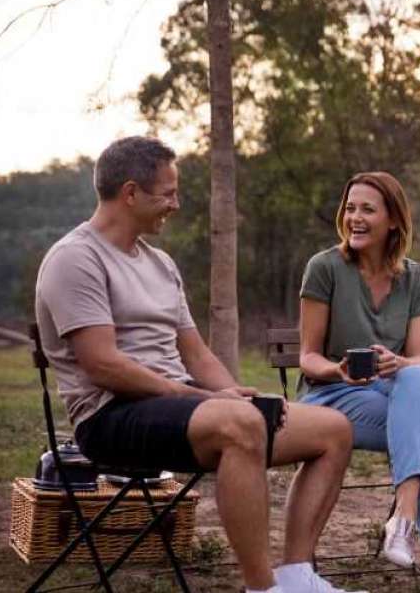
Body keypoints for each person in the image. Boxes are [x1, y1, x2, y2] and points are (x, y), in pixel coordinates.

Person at [34, 136, 359, 593]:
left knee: (333, 429)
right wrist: (205, 398)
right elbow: (102, 365)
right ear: (130, 193)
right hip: (110, 416)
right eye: (167, 193)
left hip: (183, 407)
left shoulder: (161, 263)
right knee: (239, 424)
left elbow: (197, 354)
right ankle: (262, 588)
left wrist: (234, 391)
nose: (176, 203)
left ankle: (297, 577)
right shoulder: (75, 258)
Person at [296, 172, 420, 592]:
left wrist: (397, 362)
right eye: (350, 208)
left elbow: (416, 356)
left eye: (367, 209)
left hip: (389, 393)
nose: (355, 218)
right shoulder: (325, 267)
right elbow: (307, 358)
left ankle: (403, 522)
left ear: (394, 221)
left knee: (416, 375)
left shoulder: (416, 278)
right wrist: (338, 369)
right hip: (328, 395)